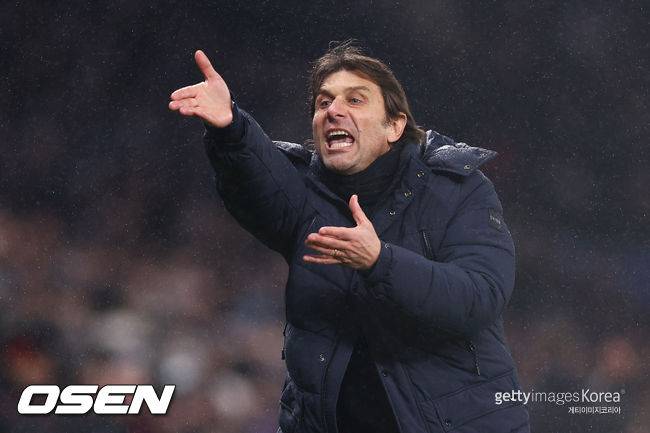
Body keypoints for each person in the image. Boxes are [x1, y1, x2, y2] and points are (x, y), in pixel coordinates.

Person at [169, 42, 530, 433]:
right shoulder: (306, 192)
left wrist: (381, 262)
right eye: (323, 102)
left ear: (394, 126)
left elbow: (479, 296)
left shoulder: (457, 188)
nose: (333, 110)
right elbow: (260, 182)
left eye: (355, 100)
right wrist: (231, 127)